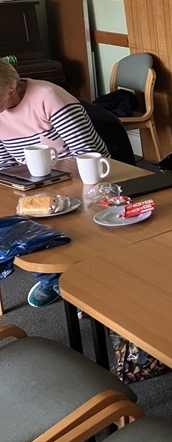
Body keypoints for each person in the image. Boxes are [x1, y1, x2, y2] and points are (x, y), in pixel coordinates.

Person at [0, 59, 109, 307]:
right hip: (33, 183)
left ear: (11, 89)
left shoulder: (48, 97)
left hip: (82, 178)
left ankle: (72, 277)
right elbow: (4, 164)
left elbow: (87, 152)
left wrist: (50, 186)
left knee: (39, 222)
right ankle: (54, 279)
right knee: (8, 220)